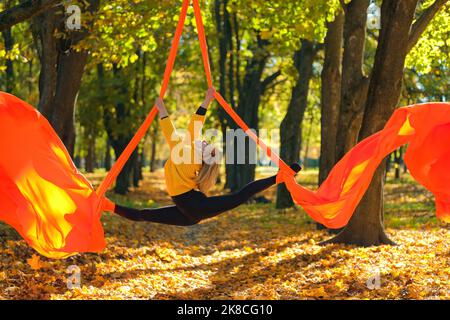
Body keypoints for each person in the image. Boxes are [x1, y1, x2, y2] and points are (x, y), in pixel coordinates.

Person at [106, 88, 301, 226]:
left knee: (144, 215)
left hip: (191, 207)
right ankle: (107, 205)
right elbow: (169, 130)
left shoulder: (190, 153)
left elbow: (194, 126)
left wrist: (207, 100)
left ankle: (280, 177)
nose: (205, 141)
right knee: (143, 215)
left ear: (204, 154)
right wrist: (161, 109)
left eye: (208, 144)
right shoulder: (182, 149)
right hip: (191, 208)